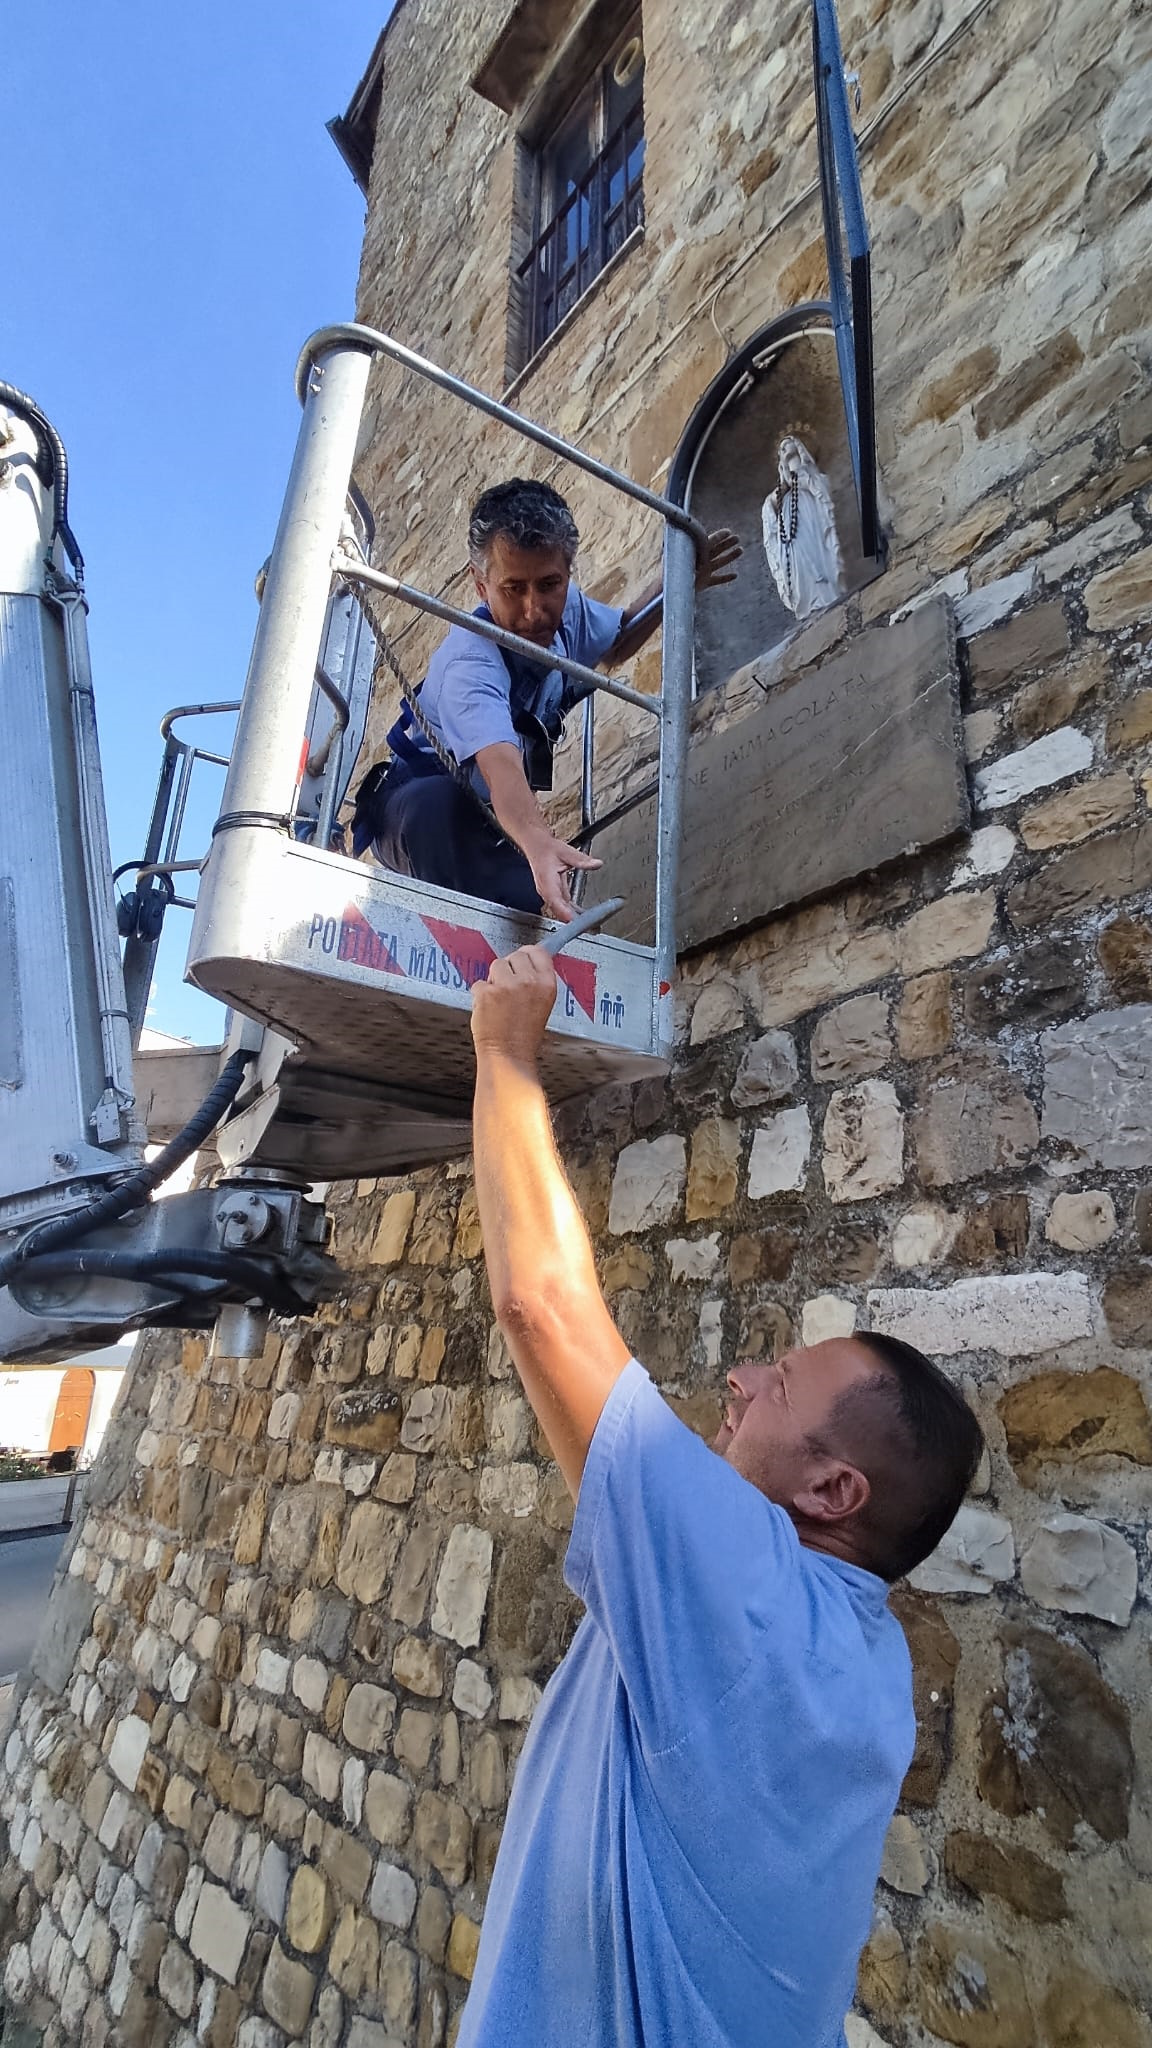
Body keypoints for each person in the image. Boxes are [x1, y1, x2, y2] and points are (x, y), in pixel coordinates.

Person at [462, 943, 985, 2048]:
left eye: (781, 1382)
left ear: (835, 1488)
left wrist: (506, 1048)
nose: (743, 1375)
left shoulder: (752, 1608)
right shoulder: (856, 1661)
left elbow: (543, 1305)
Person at [352, 478, 740, 921]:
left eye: (549, 584)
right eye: (513, 589)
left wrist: (675, 586)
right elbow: (500, 768)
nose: (534, 611)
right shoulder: (469, 662)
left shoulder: (569, 608)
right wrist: (536, 840)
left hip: (489, 820)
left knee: (531, 902)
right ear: (481, 586)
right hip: (413, 808)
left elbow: (615, 643)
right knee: (446, 816)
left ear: (567, 573)